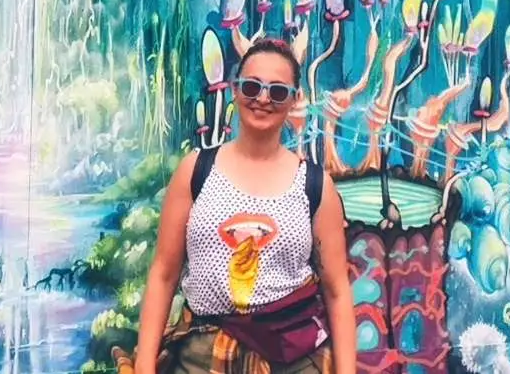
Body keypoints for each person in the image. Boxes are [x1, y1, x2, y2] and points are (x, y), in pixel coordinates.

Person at [128, 38, 356, 373]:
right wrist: (144, 366)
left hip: (292, 357)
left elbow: (336, 291)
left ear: (294, 100)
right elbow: (164, 274)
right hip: (202, 356)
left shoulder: (315, 185)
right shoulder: (196, 171)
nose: (263, 98)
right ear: (235, 91)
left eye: (277, 91)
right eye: (252, 86)